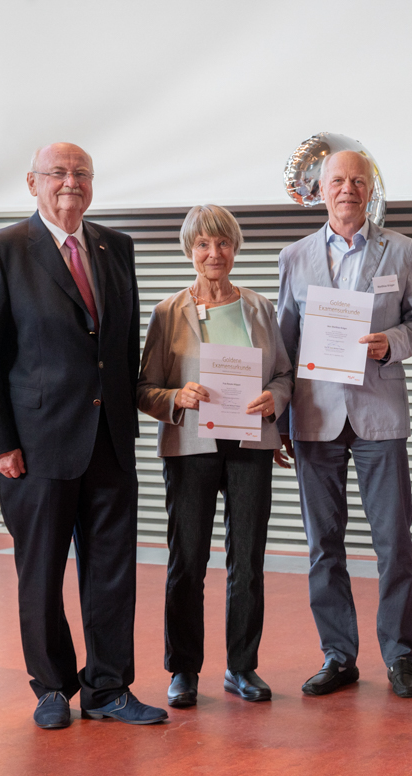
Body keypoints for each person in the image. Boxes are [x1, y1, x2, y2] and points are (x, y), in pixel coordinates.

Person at [0, 143, 167, 727]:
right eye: (58, 172)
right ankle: (51, 687)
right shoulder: (0, 251)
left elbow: (123, 349)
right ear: (32, 182)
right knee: (41, 571)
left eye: (81, 173)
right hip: (34, 448)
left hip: (108, 440)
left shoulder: (115, 248)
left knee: (111, 571)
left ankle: (108, 688)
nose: (70, 181)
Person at [276, 150, 412, 698]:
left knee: (394, 542)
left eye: (358, 181)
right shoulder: (293, 256)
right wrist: (278, 422)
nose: (347, 190)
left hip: (379, 413)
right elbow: (283, 343)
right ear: (320, 189)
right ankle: (338, 655)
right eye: (337, 181)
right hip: (315, 416)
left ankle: (400, 656)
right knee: (324, 544)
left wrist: (393, 343)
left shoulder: (403, 250)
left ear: (370, 190)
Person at [137, 205, 294, 708]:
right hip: (191, 448)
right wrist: (175, 398)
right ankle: (183, 669)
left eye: (223, 244)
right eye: (203, 244)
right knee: (188, 561)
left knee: (247, 561)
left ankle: (242, 667)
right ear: (190, 251)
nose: (214, 254)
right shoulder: (168, 312)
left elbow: (284, 374)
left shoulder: (259, 308)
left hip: (250, 445)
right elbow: (143, 388)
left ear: (235, 249)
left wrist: (277, 398)